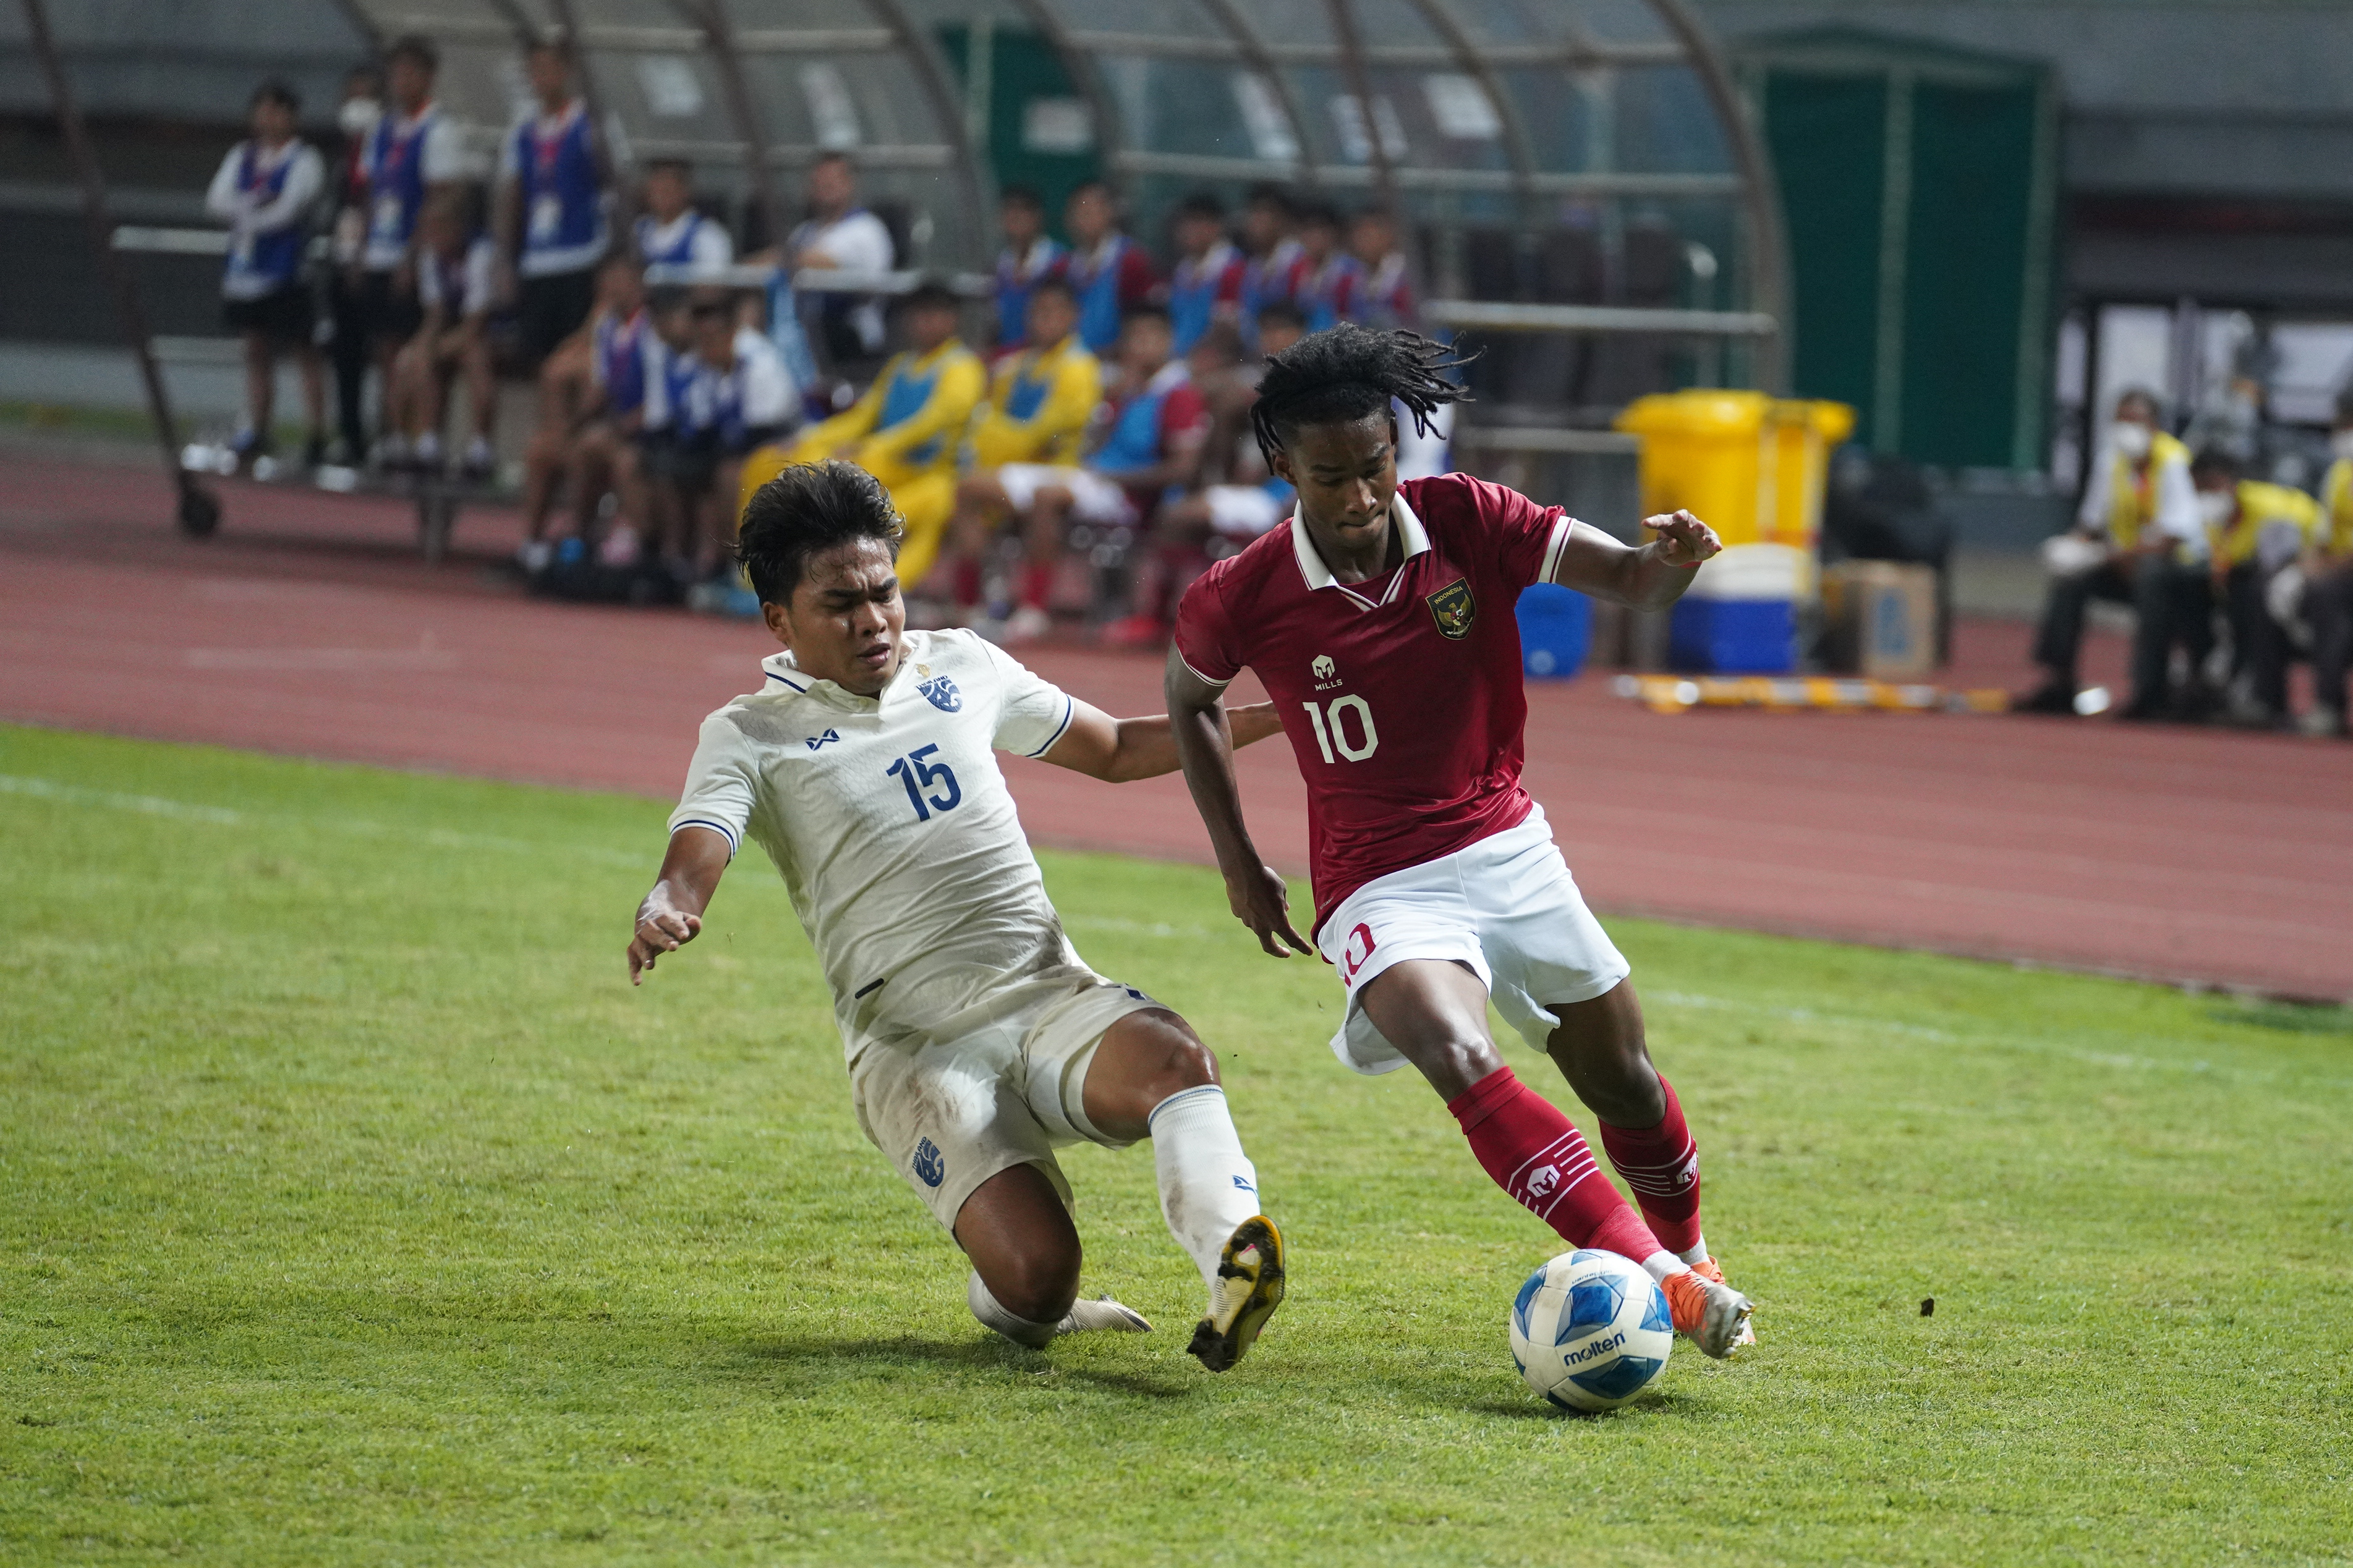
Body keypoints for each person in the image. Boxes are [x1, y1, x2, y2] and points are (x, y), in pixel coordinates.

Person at [1160, 324, 1755, 1360]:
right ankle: (1663, 1285)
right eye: (1330, 477)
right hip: (1375, 881)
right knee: (1457, 1049)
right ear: (1283, 469)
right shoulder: (1240, 592)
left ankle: (1691, 1254)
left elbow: (1630, 581)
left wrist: (1673, 562)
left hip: (1509, 846)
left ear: (1400, 453)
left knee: (1628, 1081)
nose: (1357, 499)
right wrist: (1238, 857)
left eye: (1375, 468)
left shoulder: (1468, 517)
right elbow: (1189, 700)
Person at [629, 460, 1291, 1366]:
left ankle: (1232, 1261)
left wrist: (1278, 711)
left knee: (1176, 1058)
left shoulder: (964, 664)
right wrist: (670, 902)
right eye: (840, 603)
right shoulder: (749, 734)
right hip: (915, 1047)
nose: (873, 619)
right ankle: (1025, 1291)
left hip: (1044, 990)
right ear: (779, 619)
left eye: (885, 591)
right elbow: (700, 844)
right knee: (1038, 1282)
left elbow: (1120, 749)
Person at [969, 304, 1209, 646]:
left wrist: (1114, 479)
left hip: (1129, 496)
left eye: (1151, 336)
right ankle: (971, 606)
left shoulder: (1179, 394)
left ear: (1169, 341)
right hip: (1094, 480)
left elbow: (1183, 470)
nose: (1141, 345)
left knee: (1047, 496)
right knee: (974, 486)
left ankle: (1034, 609)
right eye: (1135, 337)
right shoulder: (1126, 388)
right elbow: (1096, 444)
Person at [738, 282, 984, 592]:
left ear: (952, 320)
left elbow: (934, 422)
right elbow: (862, 417)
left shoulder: (962, 367)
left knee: (888, 508)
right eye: (919, 314)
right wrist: (809, 436)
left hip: (934, 476)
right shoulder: (899, 368)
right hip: (888, 467)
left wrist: (875, 446)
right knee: (770, 460)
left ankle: (887, 591)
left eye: (934, 314)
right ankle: (754, 573)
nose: (925, 322)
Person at [2020, 389, 2204, 718]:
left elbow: (2176, 536)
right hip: (2122, 566)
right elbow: (2091, 523)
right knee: (2071, 579)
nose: (2126, 429)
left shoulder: (2173, 461)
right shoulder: (2112, 461)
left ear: (2155, 425)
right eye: (2120, 420)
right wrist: (2072, 550)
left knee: (2153, 576)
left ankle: (2150, 690)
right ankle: (2059, 680)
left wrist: (2118, 554)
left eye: (2135, 420)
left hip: (2179, 575)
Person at [940, 277, 1103, 619]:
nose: (1045, 320)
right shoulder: (1013, 368)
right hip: (1016, 468)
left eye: (1055, 312)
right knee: (965, 487)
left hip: (1065, 469)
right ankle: (970, 606)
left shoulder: (1079, 366)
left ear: (1073, 316)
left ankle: (1033, 608)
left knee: (987, 488)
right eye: (1039, 312)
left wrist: (1000, 443)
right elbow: (987, 422)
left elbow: (1048, 433)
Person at [356, 35, 469, 468]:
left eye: (410, 73)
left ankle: (426, 434)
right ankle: (395, 432)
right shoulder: (381, 130)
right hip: (381, 251)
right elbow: (370, 194)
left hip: (415, 258)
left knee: (418, 352)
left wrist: (413, 255)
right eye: (396, 72)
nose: (401, 81)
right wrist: (364, 248)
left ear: (428, 78)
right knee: (386, 350)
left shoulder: (438, 130)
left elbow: (440, 200)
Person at [205, 77, 327, 469]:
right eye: (262, 110)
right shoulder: (242, 156)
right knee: (255, 349)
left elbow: (289, 210)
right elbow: (216, 201)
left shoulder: (305, 159)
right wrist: (255, 206)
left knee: (303, 350)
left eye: (276, 110)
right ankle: (259, 426)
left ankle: (318, 432)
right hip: (246, 271)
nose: (267, 119)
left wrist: (248, 213)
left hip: (286, 271)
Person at [519, 253, 648, 564]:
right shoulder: (606, 328)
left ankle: (583, 533)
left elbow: (662, 397)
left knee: (594, 445)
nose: (612, 289)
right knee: (542, 449)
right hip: (611, 425)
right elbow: (600, 391)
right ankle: (533, 545)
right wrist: (569, 427)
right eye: (607, 282)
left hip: (644, 429)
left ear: (639, 285)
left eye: (620, 281)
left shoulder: (652, 329)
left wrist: (620, 426)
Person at [497, 41, 610, 368]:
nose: (541, 79)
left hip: (581, 255)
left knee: (579, 356)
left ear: (566, 72)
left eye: (549, 69)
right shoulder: (521, 131)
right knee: (539, 359)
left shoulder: (588, 123)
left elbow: (613, 181)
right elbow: (511, 196)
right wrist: (506, 258)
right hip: (538, 260)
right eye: (535, 71)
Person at [2193, 451, 2321, 727]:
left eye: (2213, 486)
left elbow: (2304, 545)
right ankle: (2213, 682)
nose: (2207, 495)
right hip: (2247, 583)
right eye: (2200, 489)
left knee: (2259, 591)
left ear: (2232, 483)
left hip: (2305, 573)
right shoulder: (2214, 521)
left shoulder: (2270, 508)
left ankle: (2266, 696)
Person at [388, 192, 498, 478]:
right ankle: (417, 443)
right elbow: (435, 315)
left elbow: (477, 323)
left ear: (456, 228)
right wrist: (420, 348)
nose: (430, 236)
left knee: (476, 359)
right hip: (457, 330)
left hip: (492, 331)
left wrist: (432, 351)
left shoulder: (481, 254)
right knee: (409, 359)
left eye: (436, 229)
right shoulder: (431, 257)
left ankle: (481, 448)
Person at [325, 62, 384, 465]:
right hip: (344, 260)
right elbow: (341, 208)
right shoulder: (342, 156)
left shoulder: (386, 147)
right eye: (353, 96)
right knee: (345, 353)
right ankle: (350, 433)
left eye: (367, 97)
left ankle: (391, 435)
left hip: (381, 261)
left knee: (386, 350)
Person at [785, 153, 897, 364]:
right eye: (819, 180)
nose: (826, 185)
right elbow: (783, 261)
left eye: (834, 180)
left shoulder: (867, 229)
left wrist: (776, 260)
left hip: (853, 344)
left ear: (851, 184)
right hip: (807, 341)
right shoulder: (803, 232)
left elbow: (815, 262)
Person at [1060, 181, 1158, 356]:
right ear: (1069, 218)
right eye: (1081, 209)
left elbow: (1141, 323)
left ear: (1110, 212)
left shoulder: (1131, 262)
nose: (1087, 215)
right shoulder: (1064, 267)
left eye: (1094, 208)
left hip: (1117, 362)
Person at [2308, 399, 2353, 737]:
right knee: (2267, 586)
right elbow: (2322, 535)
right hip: (2340, 569)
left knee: (2329, 592)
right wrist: (2308, 565)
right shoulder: (2340, 473)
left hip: (2345, 572)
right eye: (2342, 429)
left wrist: (2331, 568)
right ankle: (2264, 697)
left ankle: (2328, 702)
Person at [1164, 192, 1245, 356]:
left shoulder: (1231, 269)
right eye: (1184, 224)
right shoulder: (1183, 269)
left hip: (1212, 361)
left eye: (1197, 222)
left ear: (1217, 226)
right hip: (1179, 356)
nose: (1189, 230)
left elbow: (1227, 333)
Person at [990, 184, 1063, 351]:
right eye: (1009, 210)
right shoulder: (1000, 267)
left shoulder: (1059, 262)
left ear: (1038, 217)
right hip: (1010, 358)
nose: (1016, 217)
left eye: (1024, 210)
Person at [632, 159, 733, 276]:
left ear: (685, 192)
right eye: (656, 190)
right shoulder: (637, 230)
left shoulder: (708, 235)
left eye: (667, 191)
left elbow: (712, 286)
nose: (660, 197)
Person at [1237, 183, 1303, 344]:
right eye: (1252, 212)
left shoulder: (1298, 263)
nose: (1255, 220)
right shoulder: (1253, 267)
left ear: (1283, 220)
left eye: (1263, 212)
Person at [1290, 200, 1362, 333]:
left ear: (1333, 234)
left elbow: (1356, 316)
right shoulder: (1295, 269)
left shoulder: (1349, 271)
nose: (1314, 238)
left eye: (1321, 232)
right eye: (1309, 232)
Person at [1347, 208, 1416, 333]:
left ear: (1387, 237)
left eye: (1369, 236)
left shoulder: (1403, 276)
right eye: (1359, 237)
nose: (1363, 243)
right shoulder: (1353, 275)